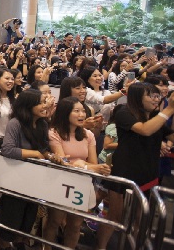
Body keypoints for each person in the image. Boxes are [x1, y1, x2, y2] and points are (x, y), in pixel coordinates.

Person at [97, 83, 174, 249]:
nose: (156, 99)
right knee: (115, 216)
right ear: (138, 97)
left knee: (141, 218)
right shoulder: (125, 113)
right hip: (123, 171)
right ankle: (101, 247)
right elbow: (145, 130)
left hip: (148, 173)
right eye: (151, 95)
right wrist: (169, 110)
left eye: (157, 96)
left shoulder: (155, 116)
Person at [0, 89, 64, 250]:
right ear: (29, 105)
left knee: (28, 215)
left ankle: (20, 241)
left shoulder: (42, 124)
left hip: (33, 180)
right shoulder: (16, 123)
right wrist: (35, 154)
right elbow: (7, 149)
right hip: (15, 178)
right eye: (41, 102)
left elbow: (43, 149)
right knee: (11, 215)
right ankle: (3, 244)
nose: (45, 105)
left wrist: (50, 156)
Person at [44, 97, 111, 249]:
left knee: (75, 225)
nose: (82, 114)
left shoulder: (89, 135)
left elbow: (94, 164)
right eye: (77, 111)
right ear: (65, 113)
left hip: (82, 183)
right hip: (60, 182)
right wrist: (84, 166)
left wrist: (86, 166)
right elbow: (63, 161)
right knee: (54, 221)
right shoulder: (54, 133)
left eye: (83, 111)